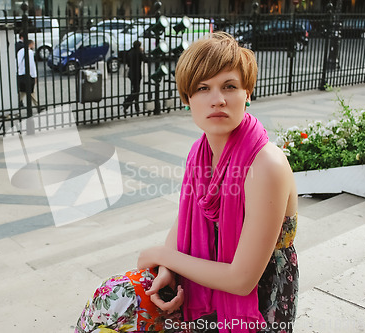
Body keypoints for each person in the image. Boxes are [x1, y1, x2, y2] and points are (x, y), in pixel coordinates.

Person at [75, 32, 299, 333]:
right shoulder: (200, 152)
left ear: (247, 93)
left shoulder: (266, 164)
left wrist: (162, 256)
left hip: (256, 302)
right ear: (187, 99)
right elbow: (185, 221)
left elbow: (241, 279)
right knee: (112, 299)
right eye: (203, 88)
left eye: (229, 86)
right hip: (204, 283)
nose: (217, 99)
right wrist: (166, 268)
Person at [122, 40, 146, 113]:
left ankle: (136, 106)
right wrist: (143, 52)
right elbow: (145, 60)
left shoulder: (130, 52)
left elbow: (126, 62)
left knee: (134, 90)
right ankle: (127, 104)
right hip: (137, 73)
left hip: (131, 73)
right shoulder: (139, 53)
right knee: (136, 91)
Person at [17, 39, 38, 106]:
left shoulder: (20, 51)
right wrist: (34, 76)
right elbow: (31, 65)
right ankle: (37, 105)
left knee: (23, 91)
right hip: (29, 75)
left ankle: (18, 102)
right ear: (30, 44)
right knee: (30, 91)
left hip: (21, 74)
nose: (34, 46)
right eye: (33, 44)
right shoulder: (30, 52)